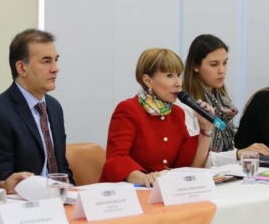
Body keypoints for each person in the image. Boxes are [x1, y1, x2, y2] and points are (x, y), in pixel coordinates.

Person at [0, 29, 75, 192]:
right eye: (46, 61)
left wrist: (72, 193)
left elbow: (60, 167)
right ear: (22, 68)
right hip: (22, 207)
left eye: (56, 60)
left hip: (58, 200)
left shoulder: (54, 107)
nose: (56, 68)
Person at [100, 48, 213, 187]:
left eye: (178, 75)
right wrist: (144, 177)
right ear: (148, 81)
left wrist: (205, 130)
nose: (179, 83)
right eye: (170, 76)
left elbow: (189, 167)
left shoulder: (177, 113)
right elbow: (116, 159)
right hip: (129, 193)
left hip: (163, 192)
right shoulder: (128, 110)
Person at [182, 34, 269, 165]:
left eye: (225, 63)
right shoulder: (187, 104)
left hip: (225, 172)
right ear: (195, 66)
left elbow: (230, 145)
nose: (222, 70)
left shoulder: (222, 101)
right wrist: (238, 154)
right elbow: (196, 159)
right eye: (214, 64)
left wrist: (242, 153)